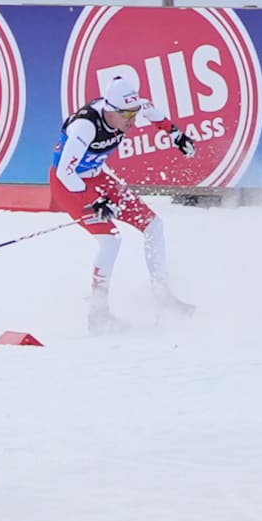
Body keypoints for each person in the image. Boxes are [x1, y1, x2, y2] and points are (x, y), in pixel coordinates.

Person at [51, 75, 197, 334]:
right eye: (127, 116)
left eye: (134, 114)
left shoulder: (128, 109)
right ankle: (98, 313)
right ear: (110, 110)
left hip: (98, 177)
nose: (133, 121)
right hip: (71, 186)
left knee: (153, 224)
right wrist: (94, 201)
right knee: (111, 240)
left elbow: (151, 111)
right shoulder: (85, 127)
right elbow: (65, 172)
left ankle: (162, 296)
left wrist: (176, 135)